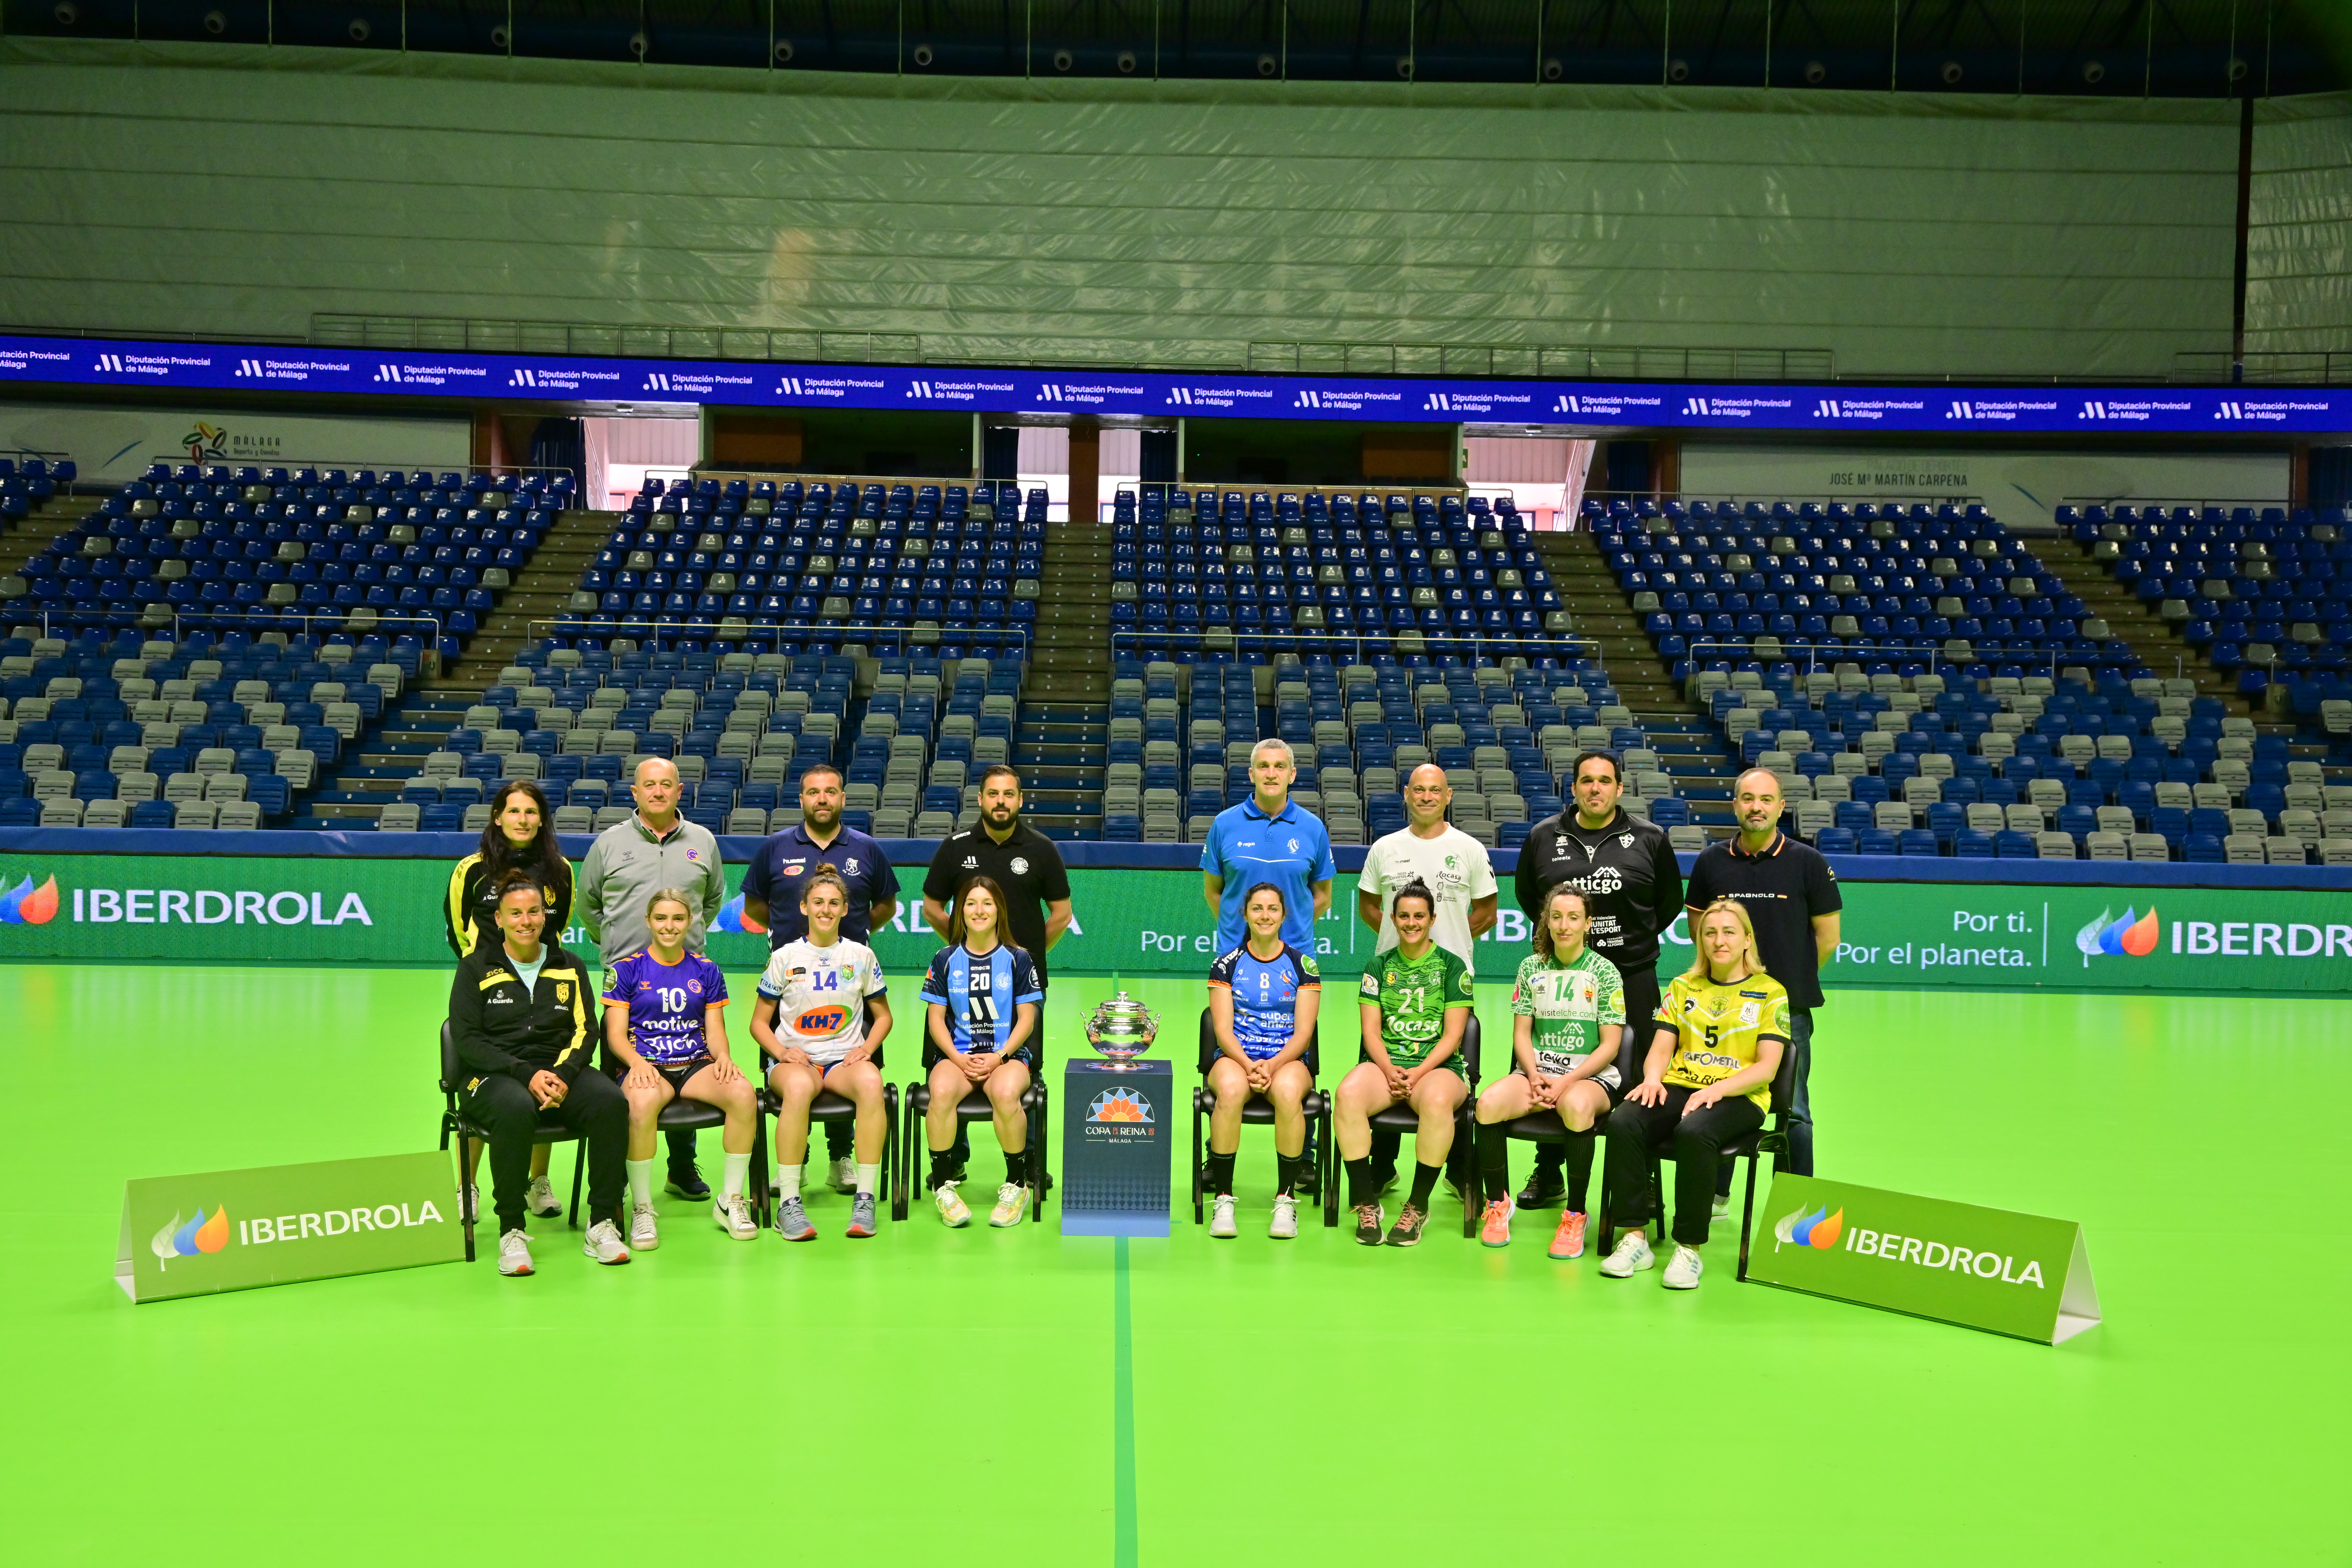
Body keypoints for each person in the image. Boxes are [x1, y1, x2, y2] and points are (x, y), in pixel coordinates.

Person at [1507, 749, 1682, 1212]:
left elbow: (1668, 902)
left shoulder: (1650, 838)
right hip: (1560, 976)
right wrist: (1568, 946)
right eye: (1587, 781)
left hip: (1633, 973)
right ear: (1575, 788)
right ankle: (1550, 1171)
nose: (1596, 789)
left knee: (1644, 1076)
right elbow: (1531, 897)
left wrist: (1627, 941)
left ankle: (1640, 1175)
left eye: (1605, 781)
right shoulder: (1544, 836)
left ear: (1620, 789)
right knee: (1552, 1066)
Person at [1597, 898, 1788, 1291]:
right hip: (1681, 1085)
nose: (1720, 940)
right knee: (1624, 1120)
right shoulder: (1683, 986)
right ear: (1700, 940)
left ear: (1747, 940)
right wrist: (1651, 1079)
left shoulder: (1771, 992)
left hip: (1741, 1096)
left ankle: (1689, 1248)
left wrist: (1718, 1090)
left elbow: (1767, 1068)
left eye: (1729, 932)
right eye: (1710, 933)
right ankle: (1635, 1237)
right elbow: (1662, 1049)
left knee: (1695, 1133)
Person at [448, 871, 629, 1276]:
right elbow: (468, 1040)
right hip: (492, 1075)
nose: (525, 921)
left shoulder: (569, 965)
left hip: (557, 1070)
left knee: (610, 1102)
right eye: (515, 914)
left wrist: (563, 1073)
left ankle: (602, 1222)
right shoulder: (475, 968)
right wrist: (525, 1072)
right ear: (499, 919)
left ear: (545, 916)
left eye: (533, 912)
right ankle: (511, 1229)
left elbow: (587, 1030)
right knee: (514, 1107)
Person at [742, 761, 901, 1195]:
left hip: (851, 982)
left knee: (851, 1063)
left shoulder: (867, 849)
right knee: (796, 1069)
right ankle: (797, 1164)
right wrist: (787, 938)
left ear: (843, 798)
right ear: (802, 800)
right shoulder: (775, 847)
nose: (823, 799)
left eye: (831, 791)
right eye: (814, 792)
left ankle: (841, 1157)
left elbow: (884, 905)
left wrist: (856, 934)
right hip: (792, 983)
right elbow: (755, 907)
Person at [578, 756, 727, 1202]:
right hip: (625, 979)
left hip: (687, 978)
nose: (658, 792)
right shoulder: (609, 843)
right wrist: (619, 948)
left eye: (667, 785)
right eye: (650, 785)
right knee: (621, 1074)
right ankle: (620, 1171)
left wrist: (685, 945)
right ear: (636, 793)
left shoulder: (703, 841)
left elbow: (713, 898)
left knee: (690, 1057)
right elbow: (588, 906)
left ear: (680, 792)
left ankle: (680, 1166)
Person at [1684, 767, 1842, 1185]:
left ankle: (1791, 1202)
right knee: (1720, 1097)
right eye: (1749, 799)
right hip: (1721, 1010)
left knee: (1794, 1110)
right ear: (1735, 805)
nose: (1757, 807)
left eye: (1766, 800)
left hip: (1789, 1012)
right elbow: (1699, 931)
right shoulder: (1710, 862)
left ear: (1781, 807)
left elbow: (1826, 939)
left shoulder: (1808, 862)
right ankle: (1716, 1196)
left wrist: (1776, 988)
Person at [921, 763, 1072, 1180]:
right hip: (961, 981)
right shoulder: (955, 848)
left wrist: (1023, 955)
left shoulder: (1042, 849)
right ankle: (952, 1162)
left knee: (1023, 1070)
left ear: (1020, 800)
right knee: (959, 1060)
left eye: (1009, 794)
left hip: (1022, 983)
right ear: (981, 799)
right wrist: (962, 945)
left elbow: (1061, 914)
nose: (1001, 802)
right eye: (993, 794)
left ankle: (1028, 1168)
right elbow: (933, 906)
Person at [1356, 761, 1497, 1193]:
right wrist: (1407, 942)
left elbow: (1487, 912)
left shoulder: (1470, 849)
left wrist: (1440, 950)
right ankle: (1381, 1168)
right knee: (1383, 1067)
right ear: (1407, 794)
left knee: (1452, 1073)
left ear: (1448, 795)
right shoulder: (1385, 848)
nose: (1427, 797)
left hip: (1452, 986)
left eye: (1435, 790)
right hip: (1393, 985)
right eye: (1419, 790)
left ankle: (1456, 1169)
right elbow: (1368, 906)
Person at [601, 888, 760, 1250]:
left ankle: (731, 1200)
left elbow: (716, 1032)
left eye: (677, 919)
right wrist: (637, 1062)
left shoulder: (706, 970)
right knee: (640, 1106)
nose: (669, 926)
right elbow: (615, 1035)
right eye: (661, 918)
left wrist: (723, 1058)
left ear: (690, 922)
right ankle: (642, 1207)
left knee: (743, 1093)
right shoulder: (625, 970)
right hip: (648, 1064)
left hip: (694, 1062)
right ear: (648, 922)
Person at [444, 778, 574, 1218]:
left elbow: (557, 930)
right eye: (514, 811)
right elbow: (459, 928)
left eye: (531, 811)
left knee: (548, 1074)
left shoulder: (561, 871)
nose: (523, 819)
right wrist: (487, 975)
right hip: (489, 998)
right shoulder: (472, 869)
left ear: (542, 819)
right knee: (487, 1087)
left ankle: (538, 1182)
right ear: (498, 817)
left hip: (544, 993)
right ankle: (468, 1187)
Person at [1472, 885, 1624, 1257]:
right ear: (1547, 921)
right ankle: (1497, 1205)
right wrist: (1534, 1074)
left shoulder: (1604, 972)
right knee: (1487, 1104)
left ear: (1588, 924)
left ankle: (1575, 1213)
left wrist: (1567, 1082)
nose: (1564, 925)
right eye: (1557, 917)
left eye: (1573, 918)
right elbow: (1522, 1033)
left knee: (1575, 1107)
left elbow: (1610, 1046)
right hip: (1538, 1073)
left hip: (1589, 1076)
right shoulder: (1531, 968)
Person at [752, 862, 893, 1242]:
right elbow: (758, 1024)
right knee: (797, 1090)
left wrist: (866, 1048)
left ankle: (865, 1199)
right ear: (804, 908)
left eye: (834, 903)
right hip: (798, 1061)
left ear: (846, 910)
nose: (826, 910)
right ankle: (790, 1203)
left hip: (843, 1061)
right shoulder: (784, 957)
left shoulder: (861, 956)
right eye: (818, 903)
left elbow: (883, 1017)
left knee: (871, 1082)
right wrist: (782, 1052)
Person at [1334, 880, 1474, 1249]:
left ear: (1432, 919)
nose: (1412, 923)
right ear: (1393, 919)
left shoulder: (1452, 966)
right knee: (1347, 1094)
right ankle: (1366, 1202)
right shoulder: (1377, 966)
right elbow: (1371, 1034)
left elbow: (1452, 1038)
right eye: (1404, 916)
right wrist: (1390, 1070)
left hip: (1437, 1069)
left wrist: (1417, 1072)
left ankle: (1418, 1206)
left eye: (1419, 916)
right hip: (1385, 1065)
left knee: (1437, 1102)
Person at [918, 877, 1045, 1230]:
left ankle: (1016, 1185)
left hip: (1006, 1057)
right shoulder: (945, 959)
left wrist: (1000, 1056)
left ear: (999, 910)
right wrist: (958, 1060)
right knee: (940, 1092)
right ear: (960, 912)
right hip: (957, 1057)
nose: (979, 910)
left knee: (1006, 1094)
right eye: (971, 903)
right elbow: (936, 1022)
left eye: (987, 903)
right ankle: (943, 1186)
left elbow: (1027, 1021)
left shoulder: (1018, 959)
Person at [1203, 882, 1323, 1241]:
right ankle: (1223, 1199)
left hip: (1287, 1059)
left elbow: (1304, 1033)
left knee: (1288, 1093)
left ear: (1284, 915)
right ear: (1245, 914)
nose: (1265, 915)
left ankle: (1286, 1202)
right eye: (1257, 908)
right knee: (1229, 1088)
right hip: (1235, 1056)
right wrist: (1249, 1063)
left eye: (1273, 909)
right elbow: (1222, 1030)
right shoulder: (1226, 964)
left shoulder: (1304, 965)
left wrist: (1271, 1066)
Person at [1200, 738, 1336, 956]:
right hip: (1234, 956)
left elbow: (1323, 897)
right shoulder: (1224, 824)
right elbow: (1213, 892)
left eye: (1279, 767)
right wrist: (1242, 927)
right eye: (1263, 766)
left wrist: (1294, 927)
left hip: (1296, 957)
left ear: (1292, 775)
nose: (1271, 774)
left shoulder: (1313, 828)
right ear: (1252, 774)